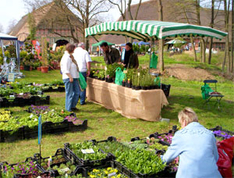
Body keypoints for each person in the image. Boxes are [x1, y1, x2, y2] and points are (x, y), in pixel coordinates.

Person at [161, 107, 222, 178]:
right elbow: (216, 157)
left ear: (184, 122)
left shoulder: (180, 135)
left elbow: (167, 158)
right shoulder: (209, 134)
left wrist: (158, 160)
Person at [60, 43, 80, 112]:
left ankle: (72, 106)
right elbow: (65, 69)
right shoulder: (66, 58)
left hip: (74, 77)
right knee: (70, 93)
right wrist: (70, 77)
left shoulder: (70, 57)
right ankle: (68, 109)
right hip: (69, 78)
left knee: (77, 92)